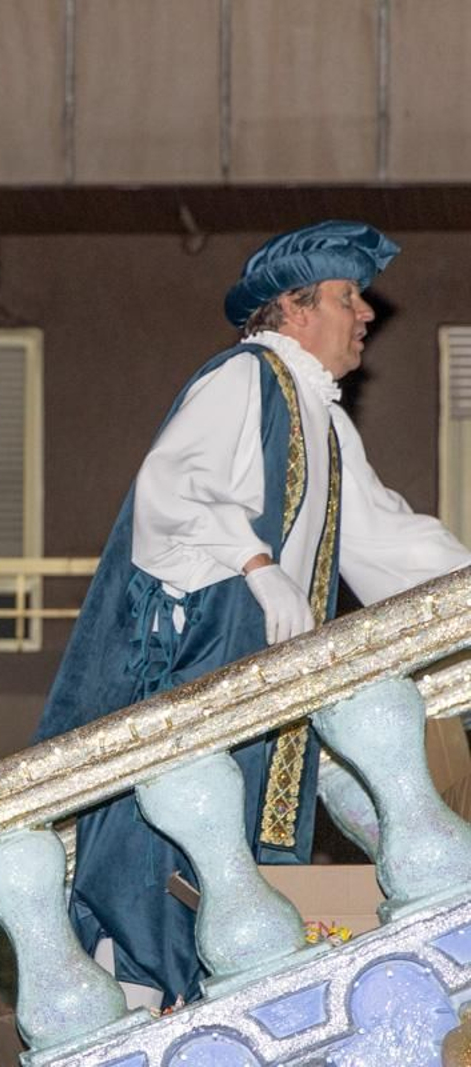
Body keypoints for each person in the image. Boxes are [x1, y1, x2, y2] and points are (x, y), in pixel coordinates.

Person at [34, 220, 471, 1007]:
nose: (367, 314)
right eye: (349, 298)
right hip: (199, 678)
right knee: (156, 885)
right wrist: (261, 568)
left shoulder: (325, 420)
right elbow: (172, 489)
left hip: (263, 704)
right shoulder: (244, 378)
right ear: (294, 309)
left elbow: (390, 542)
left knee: (234, 893)